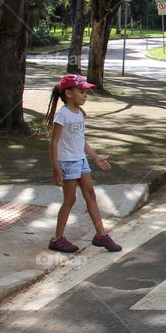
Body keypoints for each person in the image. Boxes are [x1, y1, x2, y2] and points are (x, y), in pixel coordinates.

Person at [44, 74, 121, 253]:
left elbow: (81, 139)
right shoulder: (62, 115)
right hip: (67, 162)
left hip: (81, 160)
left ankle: (101, 235)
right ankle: (57, 239)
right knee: (70, 199)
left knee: (90, 195)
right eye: (81, 92)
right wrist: (55, 169)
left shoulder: (79, 113)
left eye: (86, 92)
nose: (85, 95)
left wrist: (95, 156)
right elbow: (54, 142)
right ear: (68, 93)